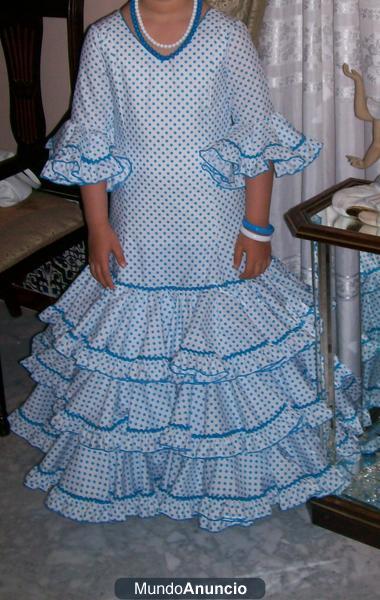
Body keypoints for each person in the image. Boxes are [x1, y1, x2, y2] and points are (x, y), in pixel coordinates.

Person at [8, 0, 371, 533]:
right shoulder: (105, 38)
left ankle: (226, 469)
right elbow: (91, 138)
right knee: (133, 347)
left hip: (217, 224)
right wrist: (99, 227)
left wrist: (257, 228)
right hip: (135, 226)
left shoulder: (226, 36)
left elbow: (256, 137)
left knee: (227, 343)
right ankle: (143, 464)